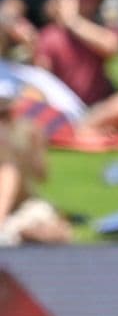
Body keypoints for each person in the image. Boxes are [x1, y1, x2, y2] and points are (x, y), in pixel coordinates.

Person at [34, 0, 118, 137]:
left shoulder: (103, 27)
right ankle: (85, 130)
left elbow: (112, 47)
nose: (86, 1)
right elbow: (40, 77)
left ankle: (80, 130)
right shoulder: (51, 34)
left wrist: (73, 21)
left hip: (96, 107)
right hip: (63, 106)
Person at [0, 78, 73, 246]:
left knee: (47, 228)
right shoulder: (29, 131)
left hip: (22, 207)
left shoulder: (30, 131)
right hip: (20, 208)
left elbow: (40, 174)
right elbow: (41, 174)